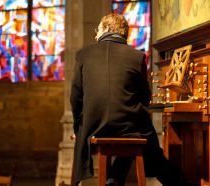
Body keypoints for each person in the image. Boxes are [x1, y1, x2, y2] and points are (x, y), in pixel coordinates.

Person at [70, 13, 188, 186]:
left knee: (135, 132)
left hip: (94, 126)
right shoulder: (137, 56)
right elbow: (145, 98)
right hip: (128, 125)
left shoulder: (83, 55)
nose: (96, 34)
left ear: (107, 29)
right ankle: (176, 182)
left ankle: (115, 179)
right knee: (145, 135)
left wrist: (79, 128)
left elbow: (75, 97)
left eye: (98, 30)